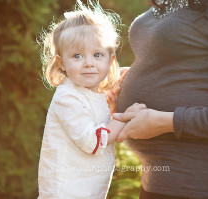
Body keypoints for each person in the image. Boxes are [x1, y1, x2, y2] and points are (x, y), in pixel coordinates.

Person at [111, 0, 208, 198]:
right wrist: (136, 75)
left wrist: (168, 122)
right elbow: (190, 61)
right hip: (158, 179)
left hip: (207, 183)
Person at [37, 1, 146, 198]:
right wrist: (125, 117)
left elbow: (101, 126)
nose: (88, 63)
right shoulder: (67, 98)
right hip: (64, 193)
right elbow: (93, 140)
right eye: (77, 56)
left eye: (97, 55)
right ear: (61, 63)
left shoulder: (90, 95)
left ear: (110, 60)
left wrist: (113, 108)